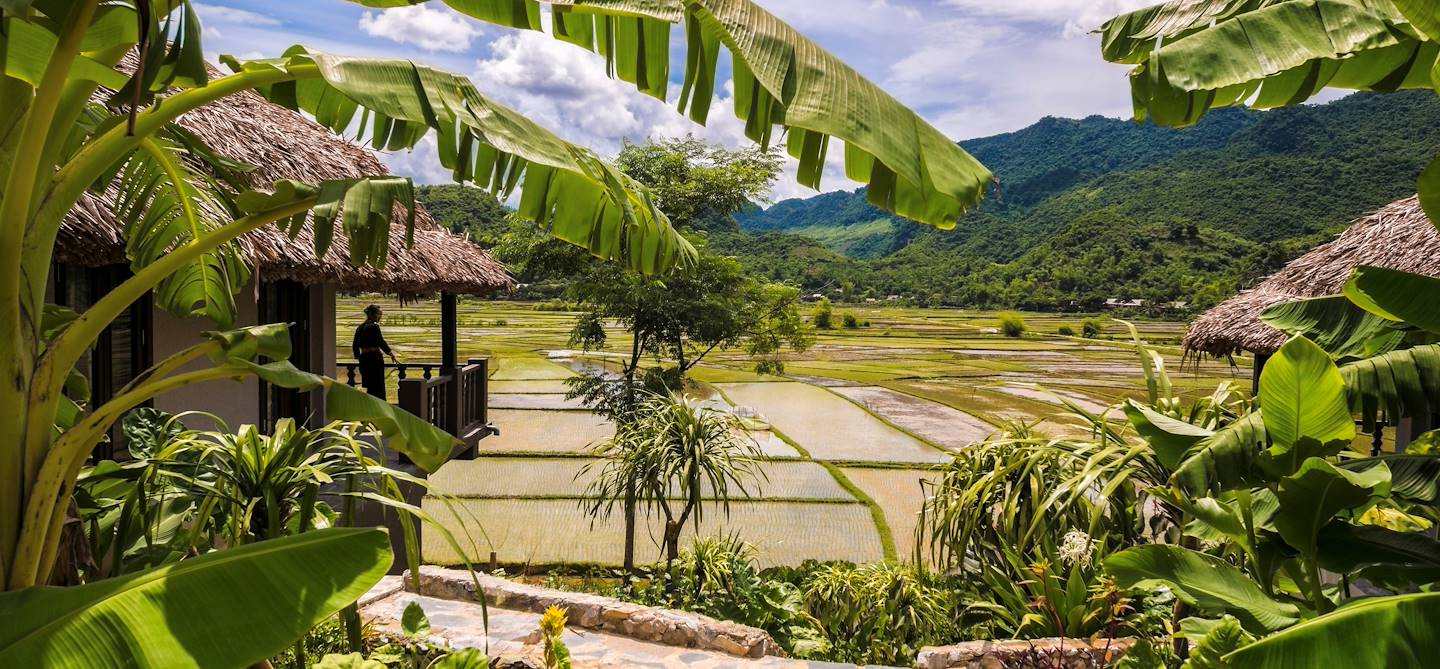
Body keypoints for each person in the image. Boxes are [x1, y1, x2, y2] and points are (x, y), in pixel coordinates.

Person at [352, 304, 398, 399]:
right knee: (378, 385)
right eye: (379, 314)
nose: (380, 317)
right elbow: (380, 341)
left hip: (364, 359)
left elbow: (355, 345)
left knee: (368, 385)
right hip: (374, 359)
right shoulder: (374, 327)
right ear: (373, 315)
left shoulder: (360, 327)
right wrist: (390, 353)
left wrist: (359, 357)